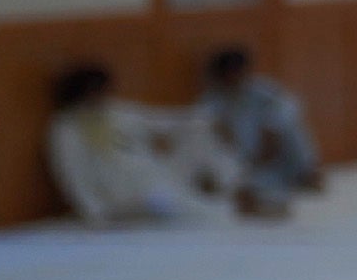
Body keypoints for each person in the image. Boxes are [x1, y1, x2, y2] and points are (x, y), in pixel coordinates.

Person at [44, 64, 232, 224]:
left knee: (199, 208)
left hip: (150, 177)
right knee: (173, 207)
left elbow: (162, 120)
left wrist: (207, 119)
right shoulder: (66, 129)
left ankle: (224, 196)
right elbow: (73, 173)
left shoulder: (114, 112)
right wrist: (96, 214)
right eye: (94, 92)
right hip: (121, 196)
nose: (100, 97)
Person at [198, 46, 323, 211]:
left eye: (238, 73)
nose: (235, 78)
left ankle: (306, 174)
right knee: (243, 182)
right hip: (243, 161)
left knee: (292, 127)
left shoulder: (262, 91)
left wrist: (271, 128)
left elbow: (289, 107)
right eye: (230, 74)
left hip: (273, 155)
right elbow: (207, 127)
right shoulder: (212, 101)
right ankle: (255, 198)